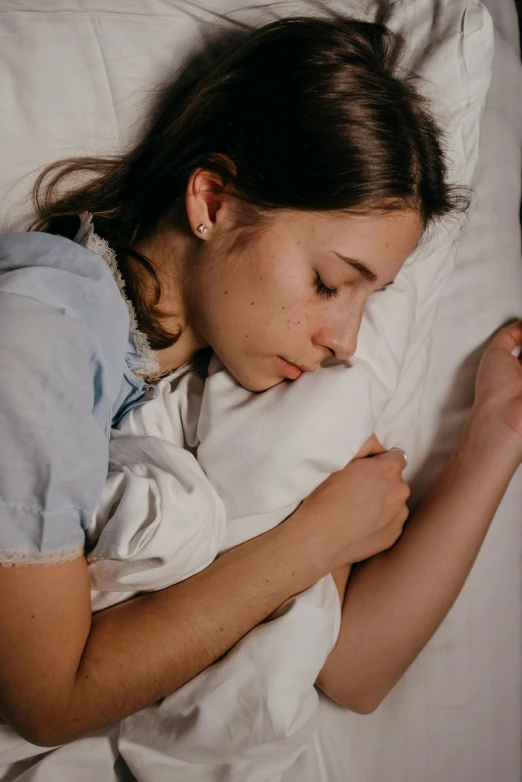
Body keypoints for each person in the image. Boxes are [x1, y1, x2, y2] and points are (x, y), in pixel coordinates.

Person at [0, 15, 521, 751]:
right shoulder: (43, 325)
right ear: (211, 201)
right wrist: (310, 542)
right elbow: (48, 701)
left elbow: (354, 670)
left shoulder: (225, 384)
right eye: (328, 282)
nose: (344, 340)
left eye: (370, 300)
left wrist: (499, 433)